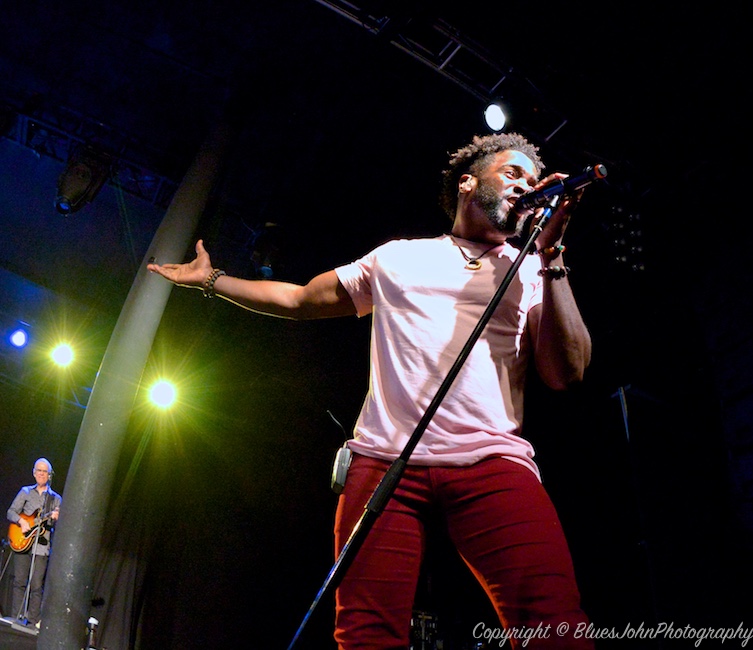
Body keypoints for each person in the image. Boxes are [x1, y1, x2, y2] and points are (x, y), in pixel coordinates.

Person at [148, 132, 595, 649]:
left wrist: (551, 252)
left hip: (492, 461)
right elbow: (299, 300)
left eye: (532, 179)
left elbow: (568, 372)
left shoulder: (534, 273)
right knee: (365, 634)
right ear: (470, 182)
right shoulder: (398, 258)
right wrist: (213, 280)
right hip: (387, 462)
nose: (526, 185)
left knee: (553, 622)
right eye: (512, 173)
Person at [6, 457, 62, 628]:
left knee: (36, 585)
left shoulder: (55, 499)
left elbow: (56, 523)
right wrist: (22, 522)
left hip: (41, 546)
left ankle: (31, 623)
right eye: (38, 470)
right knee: (19, 581)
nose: (41, 474)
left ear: (49, 475)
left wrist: (55, 519)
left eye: (44, 471)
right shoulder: (25, 492)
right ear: (34, 472)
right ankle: (16, 618)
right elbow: (11, 512)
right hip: (22, 543)